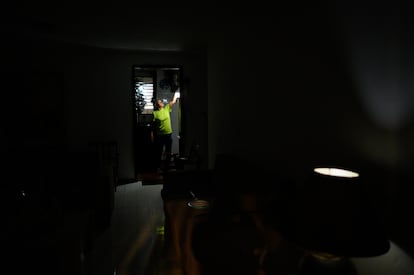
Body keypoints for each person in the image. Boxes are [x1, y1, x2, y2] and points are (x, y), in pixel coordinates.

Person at [151, 91, 180, 173]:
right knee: (159, 152)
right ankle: (158, 167)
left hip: (168, 134)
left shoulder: (167, 108)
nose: (162, 102)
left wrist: (176, 94)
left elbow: (173, 102)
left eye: (161, 101)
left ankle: (167, 168)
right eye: (160, 102)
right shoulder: (155, 113)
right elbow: (153, 127)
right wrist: (152, 136)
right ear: (157, 105)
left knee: (168, 152)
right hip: (160, 136)